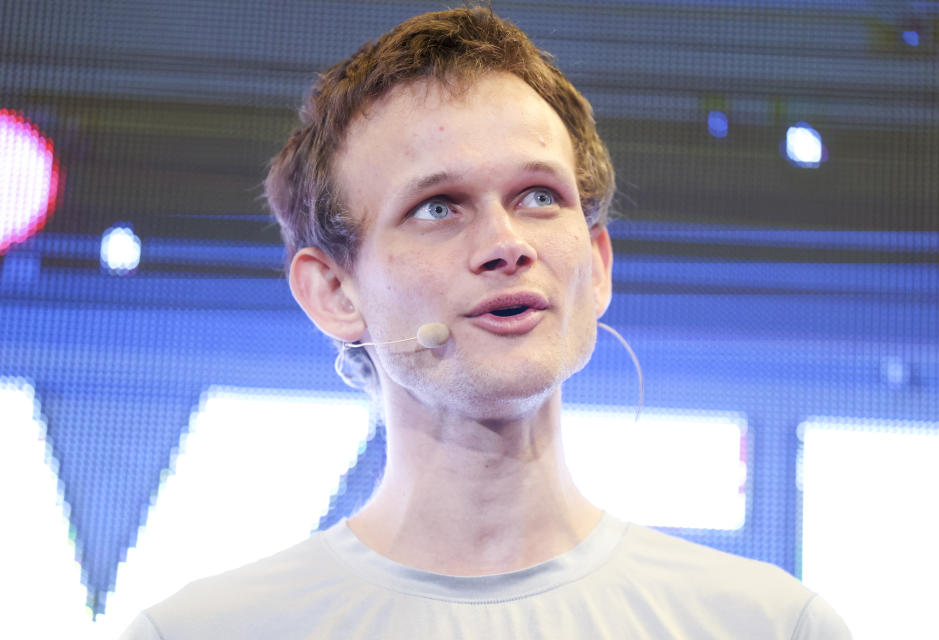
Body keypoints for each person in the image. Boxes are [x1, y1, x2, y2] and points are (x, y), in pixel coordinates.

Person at [120, 6, 850, 638]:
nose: (508, 245)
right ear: (335, 292)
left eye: (539, 197)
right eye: (438, 207)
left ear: (596, 265)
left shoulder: (767, 627)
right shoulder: (199, 634)